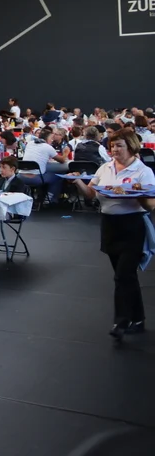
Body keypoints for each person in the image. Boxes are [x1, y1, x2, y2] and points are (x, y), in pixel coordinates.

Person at [72, 128, 155, 340]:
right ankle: (138, 319)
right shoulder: (105, 168)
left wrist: (138, 194)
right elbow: (90, 194)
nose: (114, 149)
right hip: (109, 225)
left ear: (131, 146)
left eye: (119, 145)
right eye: (112, 145)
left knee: (123, 275)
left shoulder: (143, 171)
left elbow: (151, 205)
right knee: (126, 276)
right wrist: (78, 181)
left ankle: (121, 321)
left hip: (133, 225)